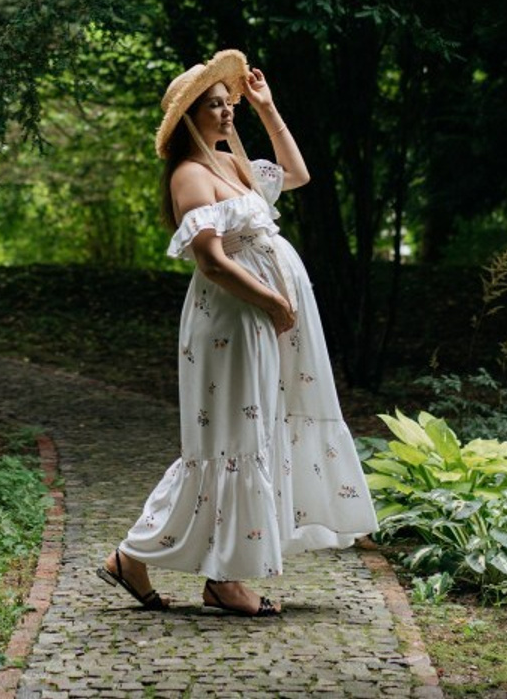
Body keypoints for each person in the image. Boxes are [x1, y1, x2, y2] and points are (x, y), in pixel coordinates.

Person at [98, 49, 377, 616]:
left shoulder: (231, 164)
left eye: (230, 104)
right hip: (233, 318)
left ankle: (148, 560)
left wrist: (268, 109)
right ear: (189, 119)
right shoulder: (190, 175)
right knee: (230, 442)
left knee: (253, 435)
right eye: (216, 106)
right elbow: (209, 259)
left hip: (261, 316)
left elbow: (297, 174)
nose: (228, 113)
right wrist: (273, 300)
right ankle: (217, 576)